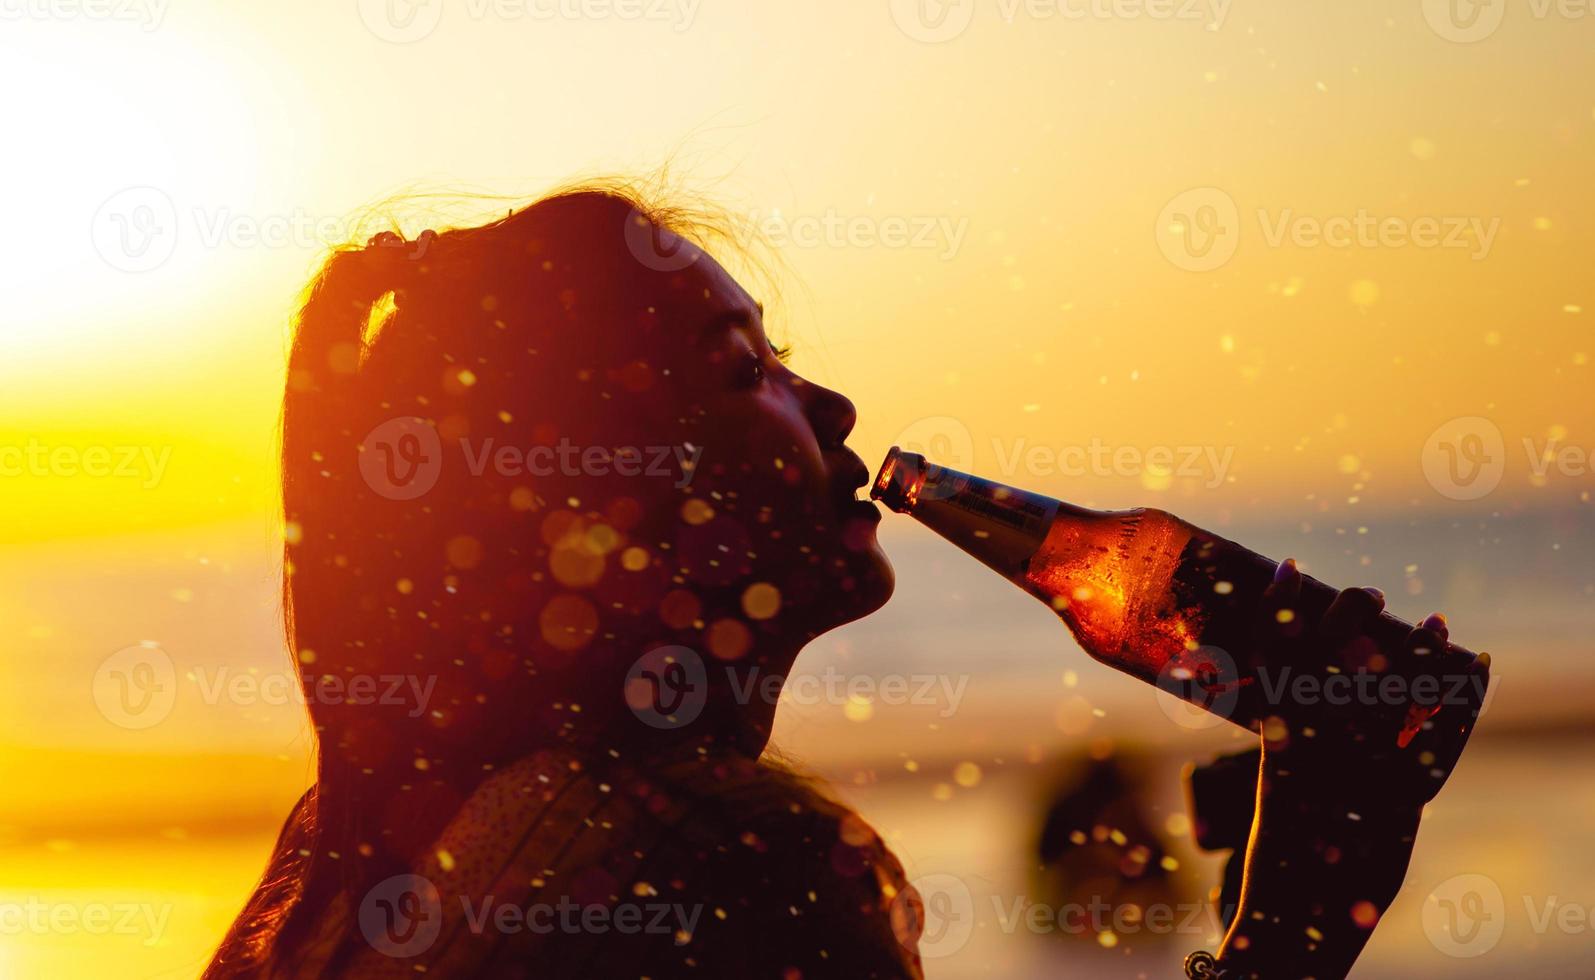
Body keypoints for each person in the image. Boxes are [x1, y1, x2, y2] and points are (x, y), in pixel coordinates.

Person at [207, 183, 1487, 979]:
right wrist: (1293, 936)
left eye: (785, 352)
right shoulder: (715, 862)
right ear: (591, 488)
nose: (829, 404)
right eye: (736, 367)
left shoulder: (358, 858)